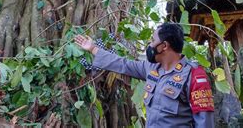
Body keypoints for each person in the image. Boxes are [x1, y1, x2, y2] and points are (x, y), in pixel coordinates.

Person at [74, 23, 215, 128]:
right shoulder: (151, 68)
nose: (150, 45)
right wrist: (93, 49)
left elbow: (204, 122)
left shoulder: (194, 75)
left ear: (164, 46)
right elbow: (123, 64)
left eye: (153, 41)